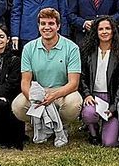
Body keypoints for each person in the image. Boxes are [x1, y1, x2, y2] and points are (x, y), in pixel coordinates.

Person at [11, 8, 83, 147]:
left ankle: (61, 126)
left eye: (51, 23)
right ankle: (39, 125)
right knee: (18, 106)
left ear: (58, 26)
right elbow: (25, 81)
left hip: (62, 91)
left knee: (74, 103)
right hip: (37, 91)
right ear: (38, 26)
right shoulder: (28, 48)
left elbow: (73, 83)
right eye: (43, 24)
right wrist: (34, 98)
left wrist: (54, 95)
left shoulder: (71, 48)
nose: (47, 27)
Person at [79, 16, 119, 147]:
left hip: (111, 97)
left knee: (110, 142)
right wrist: (87, 94)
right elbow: (82, 77)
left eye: (108, 28)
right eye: (101, 29)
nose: (104, 32)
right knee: (89, 113)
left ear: (113, 31)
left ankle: (106, 127)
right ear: (96, 31)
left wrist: (113, 107)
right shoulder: (87, 52)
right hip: (93, 96)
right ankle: (93, 133)